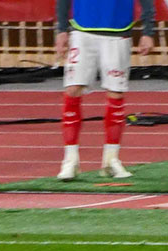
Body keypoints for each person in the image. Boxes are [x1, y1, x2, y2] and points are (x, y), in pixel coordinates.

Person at [54, 0, 157, 180]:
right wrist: (62, 29)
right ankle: (70, 160)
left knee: (115, 93)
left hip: (118, 32)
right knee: (72, 90)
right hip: (82, 31)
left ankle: (111, 159)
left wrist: (148, 31)